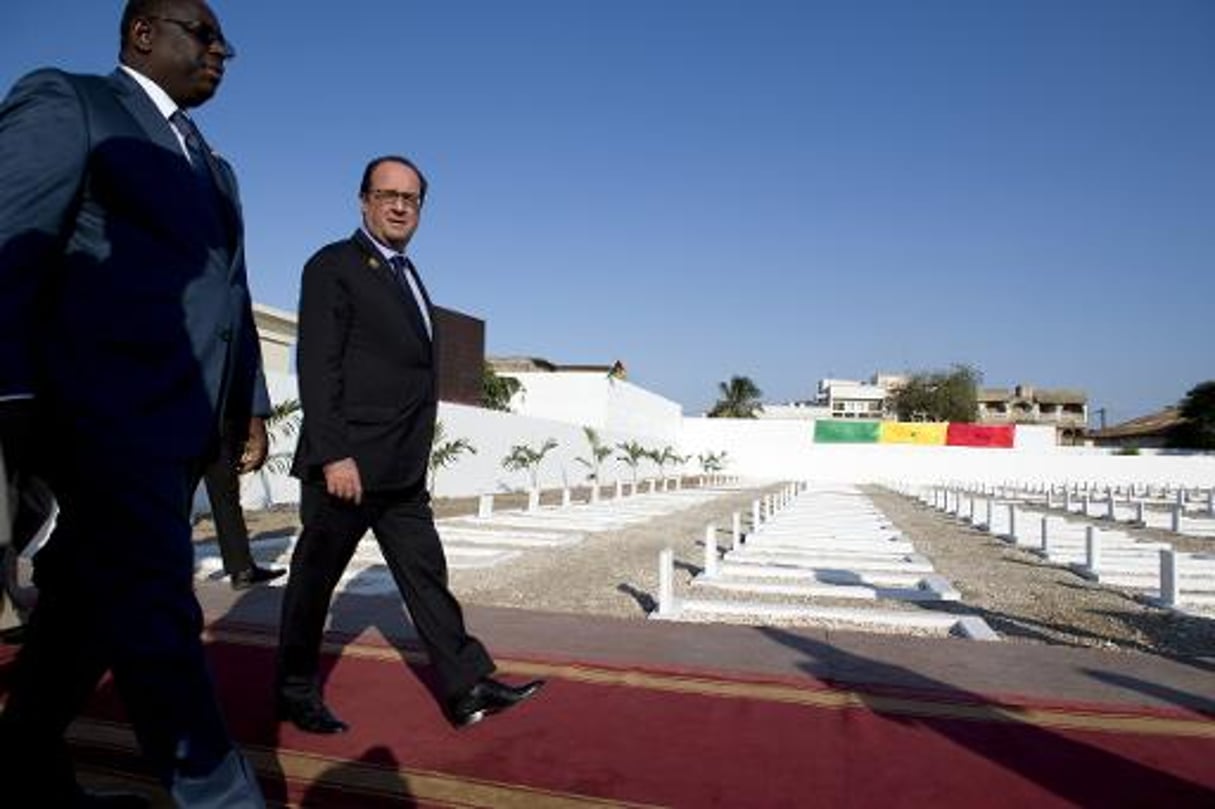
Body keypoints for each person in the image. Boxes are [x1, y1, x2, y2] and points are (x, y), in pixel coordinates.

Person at [0, 1, 268, 804]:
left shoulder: (215, 167)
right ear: (142, 34)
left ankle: (19, 763)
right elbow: (11, 241)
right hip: (94, 414)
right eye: (205, 33)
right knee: (157, 613)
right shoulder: (73, 103)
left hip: (179, 421)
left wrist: (246, 403)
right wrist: (14, 394)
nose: (223, 51)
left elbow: (232, 293)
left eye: (225, 40)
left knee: (83, 602)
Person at [275, 155, 544, 734]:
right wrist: (333, 453)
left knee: (426, 576)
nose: (400, 206)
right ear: (363, 200)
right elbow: (317, 367)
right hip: (346, 466)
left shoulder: (408, 273)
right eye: (387, 194)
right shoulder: (333, 266)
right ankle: (294, 691)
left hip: (400, 470)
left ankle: (467, 686)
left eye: (412, 198)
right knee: (314, 583)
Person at [201, 415, 286, 589]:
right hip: (217, 423)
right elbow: (246, 389)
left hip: (180, 417)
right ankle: (241, 570)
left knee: (220, 496)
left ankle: (242, 569)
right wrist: (257, 427)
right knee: (225, 497)